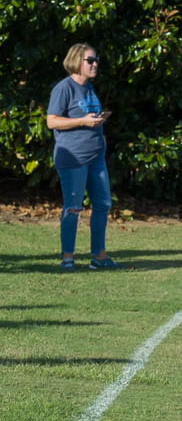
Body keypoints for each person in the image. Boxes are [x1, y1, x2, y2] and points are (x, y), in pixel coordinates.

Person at [46, 43, 118, 270]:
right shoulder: (63, 88)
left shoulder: (89, 88)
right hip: (73, 158)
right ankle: (68, 258)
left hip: (96, 156)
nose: (95, 64)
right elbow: (52, 121)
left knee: (103, 204)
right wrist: (83, 121)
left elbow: (89, 116)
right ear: (77, 62)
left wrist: (98, 128)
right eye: (90, 60)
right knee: (74, 206)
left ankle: (99, 256)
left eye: (96, 60)